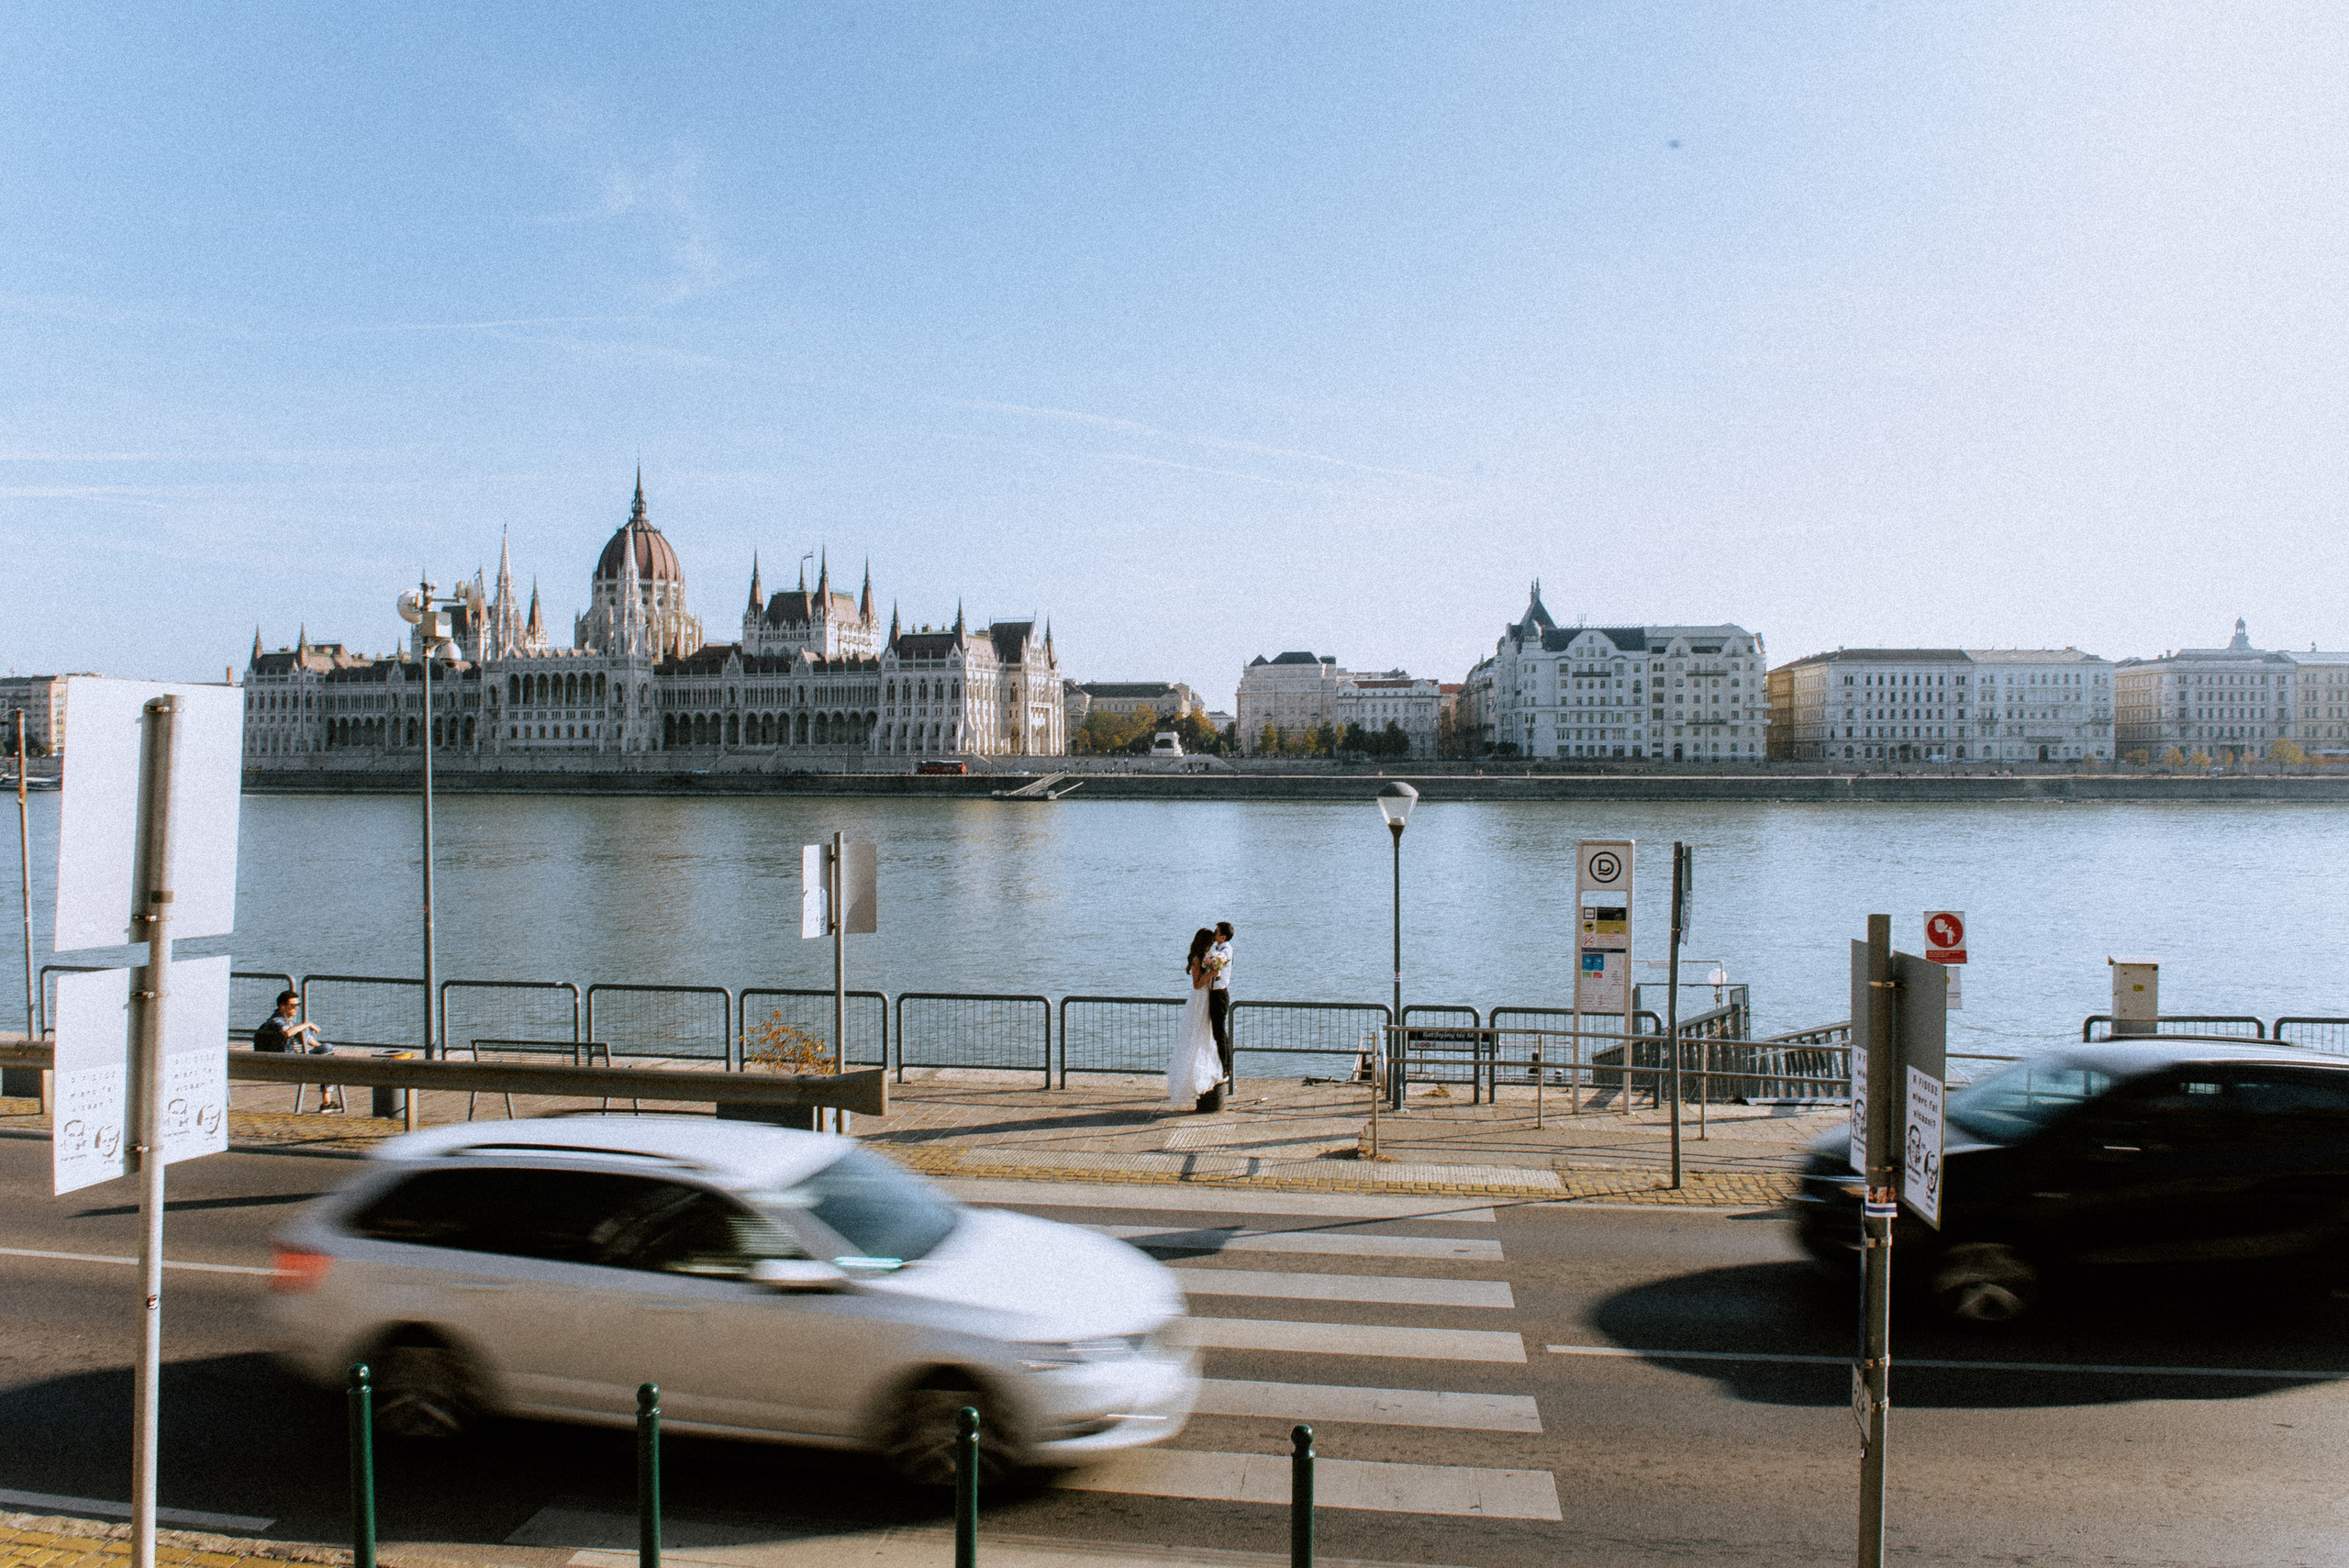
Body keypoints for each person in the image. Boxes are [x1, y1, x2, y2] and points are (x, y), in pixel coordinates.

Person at [252, 990, 342, 1112]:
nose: (296, 1008)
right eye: (292, 1006)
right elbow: (288, 1033)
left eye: (298, 1005)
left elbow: (307, 1039)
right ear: (282, 1006)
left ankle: (327, 1102)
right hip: (284, 1065)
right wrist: (308, 1024)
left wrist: (324, 1051)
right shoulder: (276, 1022)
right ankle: (326, 1103)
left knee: (326, 1053)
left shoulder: (290, 1022)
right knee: (327, 1051)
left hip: (290, 1062)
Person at [1165, 928, 1224, 1112]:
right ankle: (1197, 1080)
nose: (1211, 946)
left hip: (1206, 998)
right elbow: (1197, 984)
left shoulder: (1204, 957)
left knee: (1206, 1037)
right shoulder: (1197, 959)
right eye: (1209, 943)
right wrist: (1211, 974)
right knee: (1197, 1036)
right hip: (1199, 1000)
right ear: (1204, 942)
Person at [1204, 921, 1235, 1111]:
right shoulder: (1221, 949)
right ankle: (1222, 1064)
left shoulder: (1226, 951)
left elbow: (1219, 962)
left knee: (1219, 1031)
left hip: (1220, 994)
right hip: (1215, 993)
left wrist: (1207, 959)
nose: (1215, 935)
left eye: (1216, 932)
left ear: (1223, 936)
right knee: (1216, 1031)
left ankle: (1226, 1067)